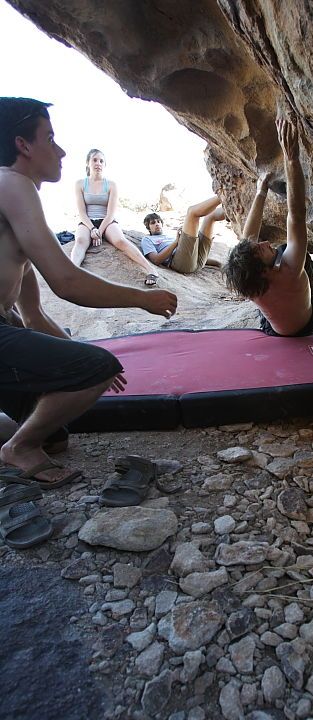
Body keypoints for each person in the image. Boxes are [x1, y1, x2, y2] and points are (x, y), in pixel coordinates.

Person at [0, 97, 177, 486]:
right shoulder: (11, 184)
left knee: (57, 436)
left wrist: (78, 364)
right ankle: (18, 448)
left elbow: (34, 315)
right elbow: (67, 282)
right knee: (96, 366)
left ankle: (21, 439)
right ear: (23, 145)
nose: (61, 151)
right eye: (50, 138)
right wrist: (141, 300)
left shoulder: (13, 202)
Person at [223, 118, 313, 337]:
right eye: (260, 249)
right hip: (309, 322)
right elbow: (297, 215)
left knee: (278, 250)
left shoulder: (249, 284)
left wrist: (261, 191)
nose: (264, 242)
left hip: (275, 331)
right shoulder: (291, 272)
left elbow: (247, 238)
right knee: (296, 255)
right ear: (263, 270)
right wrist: (292, 159)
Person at [71, 148, 160, 286]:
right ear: (87, 163)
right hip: (88, 221)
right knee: (81, 241)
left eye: (101, 161)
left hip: (107, 221)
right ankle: (71, 272)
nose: (98, 163)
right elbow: (82, 213)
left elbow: (110, 213)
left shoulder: (111, 185)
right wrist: (92, 229)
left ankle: (151, 270)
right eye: (94, 160)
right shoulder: (80, 184)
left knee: (120, 241)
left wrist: (99, 231)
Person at [141, 196, 225, 274]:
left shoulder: (168, 237)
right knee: (192, 212)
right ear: (148, 228)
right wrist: (176, 242)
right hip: (179, 264)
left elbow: (191, 254)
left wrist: (217, 263)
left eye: (158, 221)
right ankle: (222, 195)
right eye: (153, 223)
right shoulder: (147, 239)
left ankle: (234, 207)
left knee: (210, 216)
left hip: (195, 262)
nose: (157, 224)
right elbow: (156, 260)